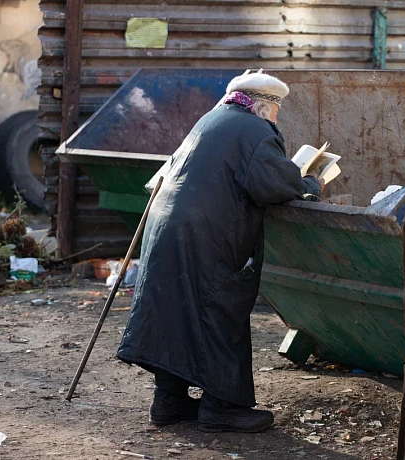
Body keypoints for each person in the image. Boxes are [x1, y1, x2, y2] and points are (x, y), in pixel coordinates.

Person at [116, 72, 322, 433]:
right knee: (220, 308)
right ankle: (223, 406)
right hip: (207, 237)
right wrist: (310, 183)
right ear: (261, 106)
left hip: (167, 232)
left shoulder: (210, 120)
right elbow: (274, 185)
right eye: (275, 111)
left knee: (174, 309)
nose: (276, 118)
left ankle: (169, 399)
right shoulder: (256, 131)